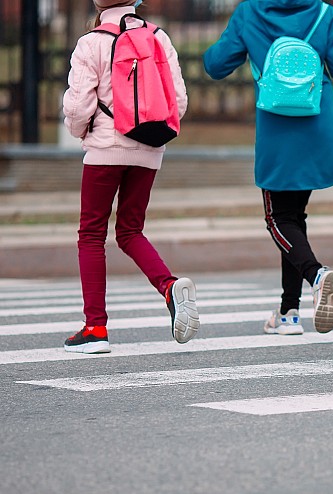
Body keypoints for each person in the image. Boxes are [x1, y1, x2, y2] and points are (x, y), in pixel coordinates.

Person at [203, 0, 333, 335]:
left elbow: (216, 65)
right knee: (293, 218)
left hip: (276, 127)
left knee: (277, 219)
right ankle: (289, 312)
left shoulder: (250, 12)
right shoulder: (322, 13)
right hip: (314, 125)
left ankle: (316, 275)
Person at [61, 0, 198, 354]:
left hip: (105, 148)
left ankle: (95, 328)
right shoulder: (159, 37)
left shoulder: (91, 42)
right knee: (130, 230)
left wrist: (81, 133)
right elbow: (178, 101)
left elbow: (78, 107)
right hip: (150, 148)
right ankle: (168, 286)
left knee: (91, 234)